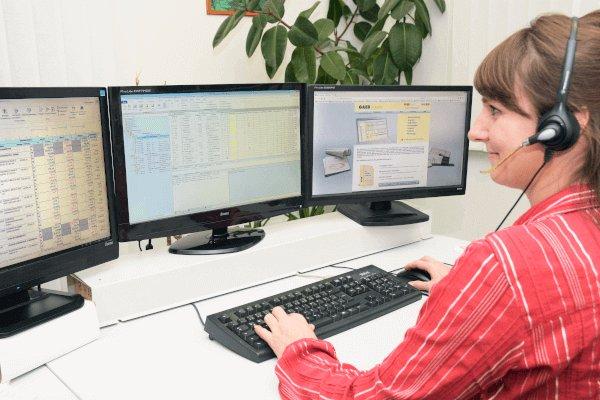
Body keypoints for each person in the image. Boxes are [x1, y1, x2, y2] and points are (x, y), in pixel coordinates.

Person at [253, 11, 600, 399]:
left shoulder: (507, 266)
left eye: (496, 110)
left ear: (564, 126)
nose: (475, 131)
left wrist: (299, 349)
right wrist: (473, 296)